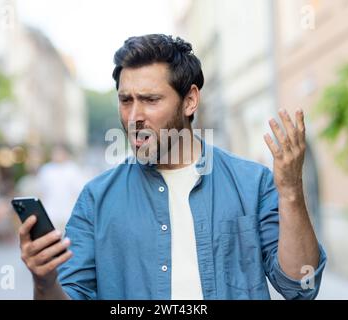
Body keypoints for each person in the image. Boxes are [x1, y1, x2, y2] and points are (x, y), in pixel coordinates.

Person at [18, 34, 327, 300]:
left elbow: (300, 286)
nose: (134, 116)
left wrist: (290, 192)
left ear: (190, 101)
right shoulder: (96, 200)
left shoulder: (252, 183)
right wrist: (45, 282)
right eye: (126, 100)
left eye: (150, 99)